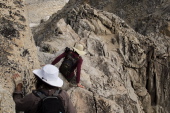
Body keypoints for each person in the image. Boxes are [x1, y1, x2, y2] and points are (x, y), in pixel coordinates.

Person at [13, 64, 77, 113]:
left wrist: (18, 88)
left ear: (40, 80)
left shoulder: (33, 97)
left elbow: (17, 105)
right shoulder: (63, 94)